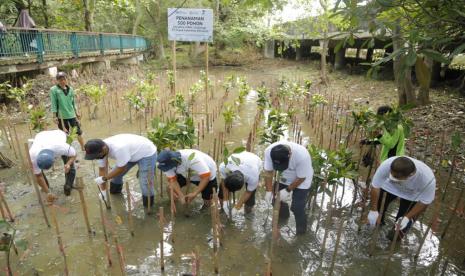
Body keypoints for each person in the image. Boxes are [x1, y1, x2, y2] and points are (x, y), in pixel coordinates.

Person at [367, 156, 435, 241]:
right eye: (392, 174)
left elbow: (425, 201)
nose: (393, 177)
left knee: (399, 231)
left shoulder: (427, 179)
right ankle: (375, 231)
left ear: (410, 175)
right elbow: (375, 186)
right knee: (374, 220)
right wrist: (373, 210)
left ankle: (392, 242)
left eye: (396, 177)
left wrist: (407, 218)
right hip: (389, 186)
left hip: (412, 194)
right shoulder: (387, 164)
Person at [83, 134, 157, 208]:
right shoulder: (99, 152)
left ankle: (148, 208)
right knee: (115, 176)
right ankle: (115, 193)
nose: (96, 158)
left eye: (97, 156)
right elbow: (102, 169)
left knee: (145, 182)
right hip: (129, 154)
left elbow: (121, 169)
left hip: (146, 153)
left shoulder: (119, 149)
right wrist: (103, 191)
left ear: (104, 148)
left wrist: (104, 178)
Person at [264, 141, 313, 235]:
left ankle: (301, 234)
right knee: (276, 201)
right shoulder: (269, 151)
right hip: (284, 177)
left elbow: (301, 178)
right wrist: (269, 191)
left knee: (297, 207)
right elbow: (269, 172)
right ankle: (283, 218)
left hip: (302, 178)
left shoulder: (302, 156)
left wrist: (287, 190)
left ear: (290, 155)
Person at [29, 130, 77, 198]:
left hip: (59, 134)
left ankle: (68, 185)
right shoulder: (32, 156)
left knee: (69, 166)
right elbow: (38, 176)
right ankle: (46, 187)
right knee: (38, 173)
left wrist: (68, 164)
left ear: (54, 159)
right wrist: (48, 193)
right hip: (40, 136)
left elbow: (74, 155)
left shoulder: (62, 147)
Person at [50, 71, 85, 150]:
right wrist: (54, 116)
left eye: (64, 79)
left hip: (71, 114)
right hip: (61, 116)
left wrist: (76, 112)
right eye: (60, 80)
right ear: (57, 81)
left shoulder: (71, 89)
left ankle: (83, 147)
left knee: (78, 131)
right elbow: (54, 103)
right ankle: (67, 149)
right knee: (64, 133)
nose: (62, 81)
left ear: (66, 79)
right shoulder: (54, 90)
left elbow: (73, 102)